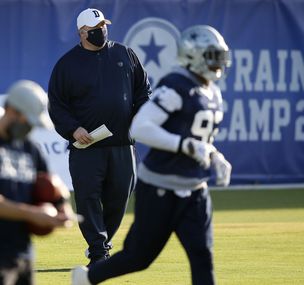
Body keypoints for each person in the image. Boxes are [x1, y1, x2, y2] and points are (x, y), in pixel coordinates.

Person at [71, 25, 232, 285]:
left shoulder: (212, 92)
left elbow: (198, 138)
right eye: (211, 56)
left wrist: (214, 156)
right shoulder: (176, 86)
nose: (218, 64)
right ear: (194, 56)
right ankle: (88, 278)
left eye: (219, 56)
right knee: (139, 257)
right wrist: (186, 146)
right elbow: (141, 127)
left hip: (194, 188)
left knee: (203, 256)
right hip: (161, 187)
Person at [48, 8, 151, 266]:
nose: (101, 31)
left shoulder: (124, 54)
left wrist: (140, 117)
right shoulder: (67, 64)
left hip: (122, 143)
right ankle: (98, 252)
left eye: (104, 26)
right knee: (88, 198)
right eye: (95, 29)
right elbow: (57, 105)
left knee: (119, 197)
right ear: (82, 33)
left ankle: (101, 243)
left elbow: (143, 91)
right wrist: (73, 129)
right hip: (87, 146)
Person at [0, 80, 72, 285]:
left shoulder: (29, 147)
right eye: (27, 120)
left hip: (22, 253)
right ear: (12, 110)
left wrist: (62, 207)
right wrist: (32, 214)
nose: (30, 126)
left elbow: (50, 183)